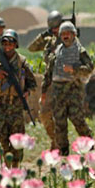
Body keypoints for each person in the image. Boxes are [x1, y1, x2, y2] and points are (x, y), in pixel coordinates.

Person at [0, 29, 36, 167]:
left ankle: (15, 167)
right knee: (0, 136)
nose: (8, 46)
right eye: (5, 43)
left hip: (16, 105)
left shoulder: (22, 62)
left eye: (11, 43)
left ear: (15, 45)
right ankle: (4, 165)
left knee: (17, 138)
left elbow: (33, 83)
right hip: (1, 105)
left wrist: (27, 92)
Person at [43, 21, 93, 156]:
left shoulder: (80, 51)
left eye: (68, 33)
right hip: (58, 91)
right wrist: (43, 91)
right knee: (59, 122)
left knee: (77, 119)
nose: (65, 36)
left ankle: (89, 145)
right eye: (63, 34)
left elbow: (89, 68)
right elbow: (49, 72)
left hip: (73, 90)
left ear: (73, 35)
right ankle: (64, 152)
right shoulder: (57, 51)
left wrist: (74, 69)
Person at [28, 10, 62, 150]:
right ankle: (55, 140)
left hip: (64, 83)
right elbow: (31, 48)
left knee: (64, 115)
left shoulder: (69, 39)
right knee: (44, 113)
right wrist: (44, 35)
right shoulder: (49, 41)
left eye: (57, 27)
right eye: (52, 28)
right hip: (49, 83)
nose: (55, 30)